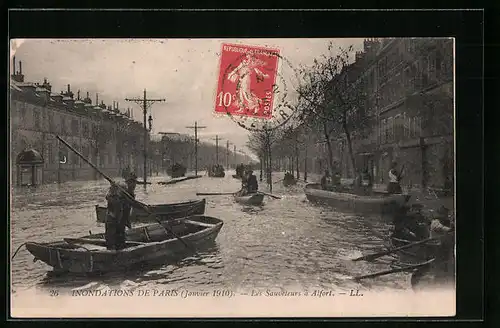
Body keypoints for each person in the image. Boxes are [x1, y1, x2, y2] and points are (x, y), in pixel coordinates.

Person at [105, 172, 143, 250]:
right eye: (131, 182)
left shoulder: (130, 193)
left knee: (121, 242)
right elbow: (108, 197)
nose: (134, 185)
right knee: (111, 242)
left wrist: (143, 207)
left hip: (122, 221)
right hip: (113, 220)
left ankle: (121, 254)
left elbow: (132, 203)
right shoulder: (121, 187)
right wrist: (114, 189)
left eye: (135, 183)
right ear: (128, 182)